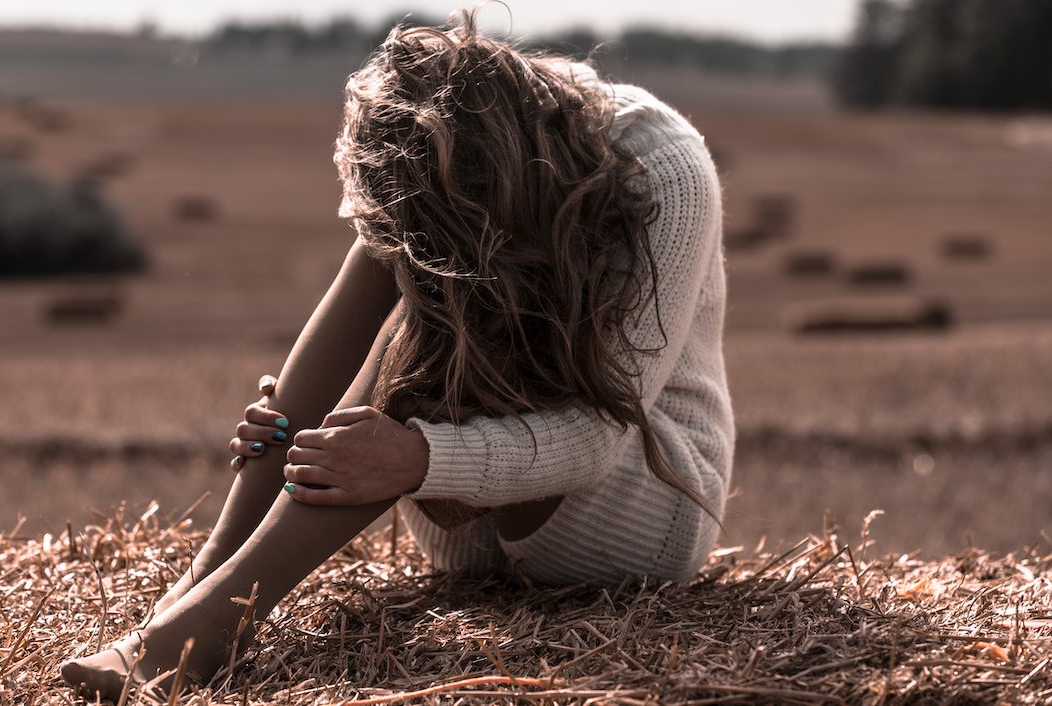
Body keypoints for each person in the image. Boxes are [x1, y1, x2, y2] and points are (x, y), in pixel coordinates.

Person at [60, 11, 733, 699]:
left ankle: (206, 632)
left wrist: (417, 458)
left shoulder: (657, 166)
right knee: (420, 295)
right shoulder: (436, 148)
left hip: (637, 505)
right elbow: (339, 345)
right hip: (467, 530)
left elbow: (599, 436)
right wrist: (291, 429)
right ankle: (195, 593)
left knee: (428, 343)